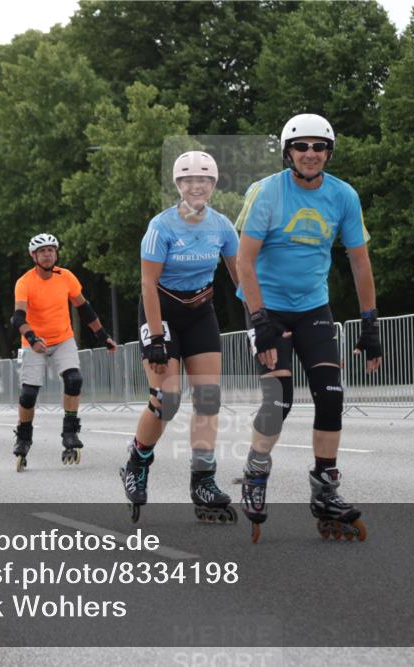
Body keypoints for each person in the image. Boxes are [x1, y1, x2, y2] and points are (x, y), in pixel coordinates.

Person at [234, 114, 383, 543]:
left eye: (319, 147)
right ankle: (256, 472)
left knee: (331, 396)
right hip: (268, 308)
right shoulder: (266, 193)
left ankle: (325, 491)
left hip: (314, 306)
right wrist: (259, 320)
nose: (311, 154)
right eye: (302, 147)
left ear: (328, 152)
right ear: (288, 152)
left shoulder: (343, 196)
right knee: (279, 400)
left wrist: (370, 324)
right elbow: (244, 261)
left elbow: (359, 261)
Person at [119, 150, 240, 524]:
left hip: (200, 311)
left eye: (204, 179)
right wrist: (156, 338)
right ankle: (137, 461)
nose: (196, 186)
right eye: (188, 180)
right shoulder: (162, 226)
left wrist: (262, 320)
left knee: (208, 399)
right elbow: (147, 284)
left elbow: (242, 280)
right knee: (165, 400)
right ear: (178, 185)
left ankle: (203, 479)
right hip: (162, 310)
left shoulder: (222, 226)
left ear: (214, 185)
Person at [9, 233, 116, 470]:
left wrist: (103, 335)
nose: (48, 254)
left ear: (56, 253)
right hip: (33, 342)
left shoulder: (66, 277)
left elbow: (85, 309)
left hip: (62, 338)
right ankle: (24, 438)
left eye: (51, 250)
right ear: (34, 256)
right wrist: (33, 338)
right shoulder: (24, 282)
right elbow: (18, 318)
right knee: (28, 393)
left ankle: (70, 432)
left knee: (73, 379)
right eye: (42, 251)